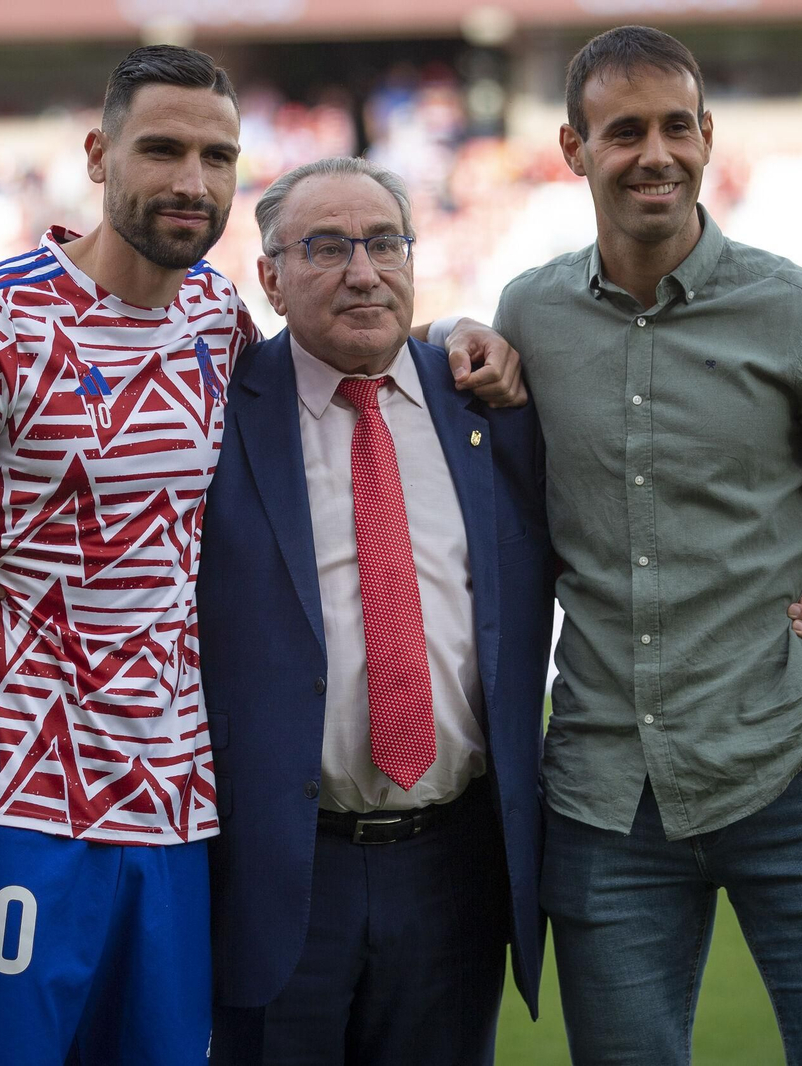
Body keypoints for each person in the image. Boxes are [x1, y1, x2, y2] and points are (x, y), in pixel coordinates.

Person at [0, 46, 521, 1065]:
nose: (192, 180)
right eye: (162, 149)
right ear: (98, 153)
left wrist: (455, 333)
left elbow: (339, 338)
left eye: (217, 156)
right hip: (13, 803)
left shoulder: (214, 322)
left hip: (179, 815)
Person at [487, 26, 802, 1065]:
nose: (655, 152)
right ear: (572, 149)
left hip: (795, 774)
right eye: (624, 131)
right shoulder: (530, 313)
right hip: (606, 798)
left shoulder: (800, 314)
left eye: (675, 127)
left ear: (707, 136)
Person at [189, 155, 554, 1066]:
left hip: (456, 870)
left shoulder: (492, 406)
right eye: (325, 247)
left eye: (384, 241)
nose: (363, 270)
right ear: (268, 276)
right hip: (279, 871)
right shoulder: (212, 412)